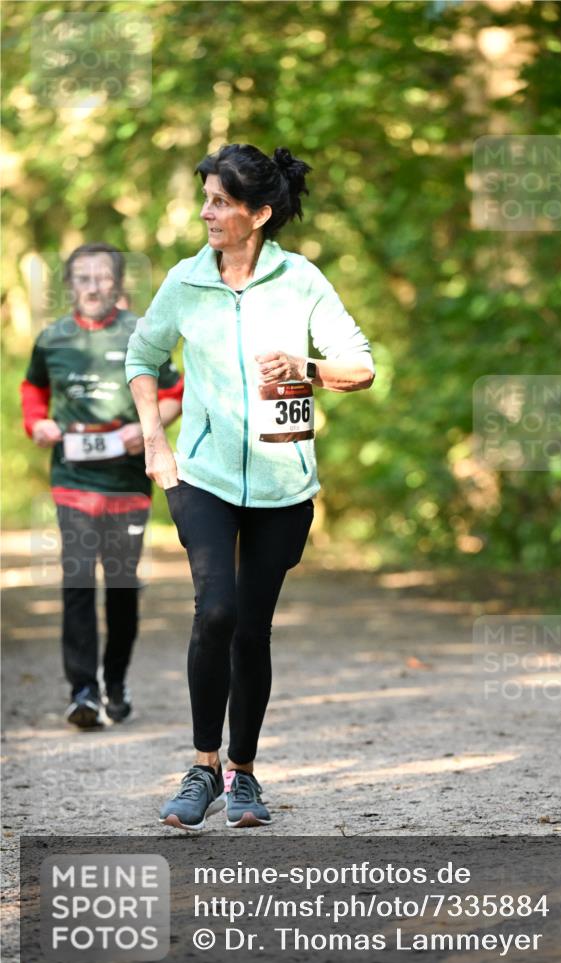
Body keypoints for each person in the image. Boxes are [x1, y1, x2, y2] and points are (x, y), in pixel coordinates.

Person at [126, 142, 374, 832]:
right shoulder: (185, 281)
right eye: (205, 198)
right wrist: (153, 436)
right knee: (216, 611)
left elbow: (361, 367)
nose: (205, 211)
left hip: (283, 485)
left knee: (252, 629)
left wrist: (309, 366)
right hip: (199, 475)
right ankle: (201, 767)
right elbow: (142, 355)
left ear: (258, 213)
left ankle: (242, 774)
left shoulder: (301, 282)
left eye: (220, 202)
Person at [21, 243, 184, 728]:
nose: (93, 286)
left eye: (102, 277)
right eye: (83, 278)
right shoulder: (53, 338)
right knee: (76, 583)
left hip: (127, 483)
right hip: (72, 479)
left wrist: (150, 428)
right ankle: (83, 693)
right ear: (69, 285)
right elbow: (34, 388)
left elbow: (175, 391)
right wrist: (38, 425)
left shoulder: (141, 333)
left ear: (118, 283)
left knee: (120, 588)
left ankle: (115, 681)